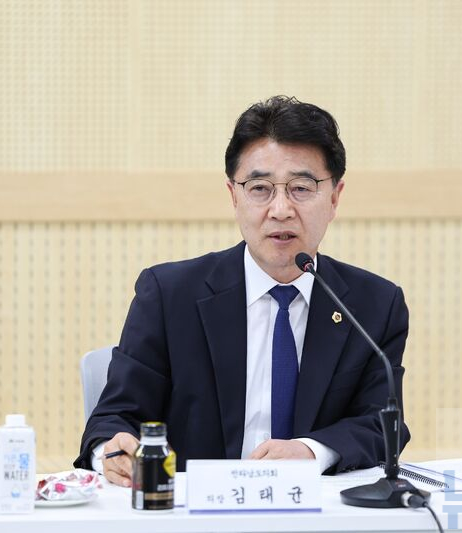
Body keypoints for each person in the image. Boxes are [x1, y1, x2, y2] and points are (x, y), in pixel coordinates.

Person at [75, 96, 410, 487]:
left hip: (316, 510)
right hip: (193, 510)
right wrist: (112, 452)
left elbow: (381, 424)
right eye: (260, 188)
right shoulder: (170, 296)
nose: (281, 209)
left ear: (334, 198)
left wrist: (310, 452)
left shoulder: (373, 305)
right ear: (234, 196)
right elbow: (113, 418)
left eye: (301, 188)